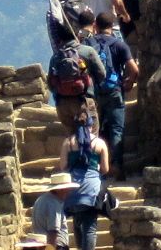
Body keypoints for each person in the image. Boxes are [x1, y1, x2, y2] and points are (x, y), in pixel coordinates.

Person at [87, 13, 137, 179]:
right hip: (114, 91)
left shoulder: (88, 44)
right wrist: (129, 82)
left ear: (96, 25)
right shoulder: (119, 44)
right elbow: (134, 69)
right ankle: (116, 167)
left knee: (94, 130)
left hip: (94, 93)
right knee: (117, 130)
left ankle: (97, 169)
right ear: (112, 24)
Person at [62, 103, 111, 250]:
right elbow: (105, 169)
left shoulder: (68, 143)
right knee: (90, 227)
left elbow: (63, 167)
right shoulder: (99, 143)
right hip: (92, 190)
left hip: (72, 190)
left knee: (77, 224)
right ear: (91, 125)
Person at [30, 177, 76, 250]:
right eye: (67, 190)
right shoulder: (54, 203)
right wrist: (51, 248)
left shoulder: (41, 199)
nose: (69, 193)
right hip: (56, 246)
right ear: (61, 190)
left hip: (42, 244)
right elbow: (53, 230)